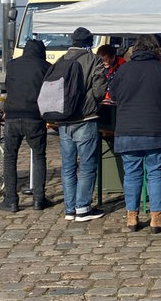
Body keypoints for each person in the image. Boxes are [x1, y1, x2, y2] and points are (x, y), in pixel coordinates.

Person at [110, 35, 161, 234]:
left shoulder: (123, 69)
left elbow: (113, 95)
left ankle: (132, 217)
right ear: (156, 50)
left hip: (127, 128)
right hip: (155, 128)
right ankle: (157, 218)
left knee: (132, 173)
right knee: (156, 173)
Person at [57, 27, 107, 222]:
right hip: (85, 118)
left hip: (63, 120)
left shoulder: (61, 60)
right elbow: (99, 90)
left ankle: (70, 209)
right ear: (90, 42)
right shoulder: (92, 60)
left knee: (68, 166)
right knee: (87, 165)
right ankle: (83, 208)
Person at [0, 39, 52, 213]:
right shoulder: (46, 66)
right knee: (38, 156)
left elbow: (8, 87)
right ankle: (38, 199)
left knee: (10, 158)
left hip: (12, 115)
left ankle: (11, 200)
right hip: (35, 116)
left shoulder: (12, 65)